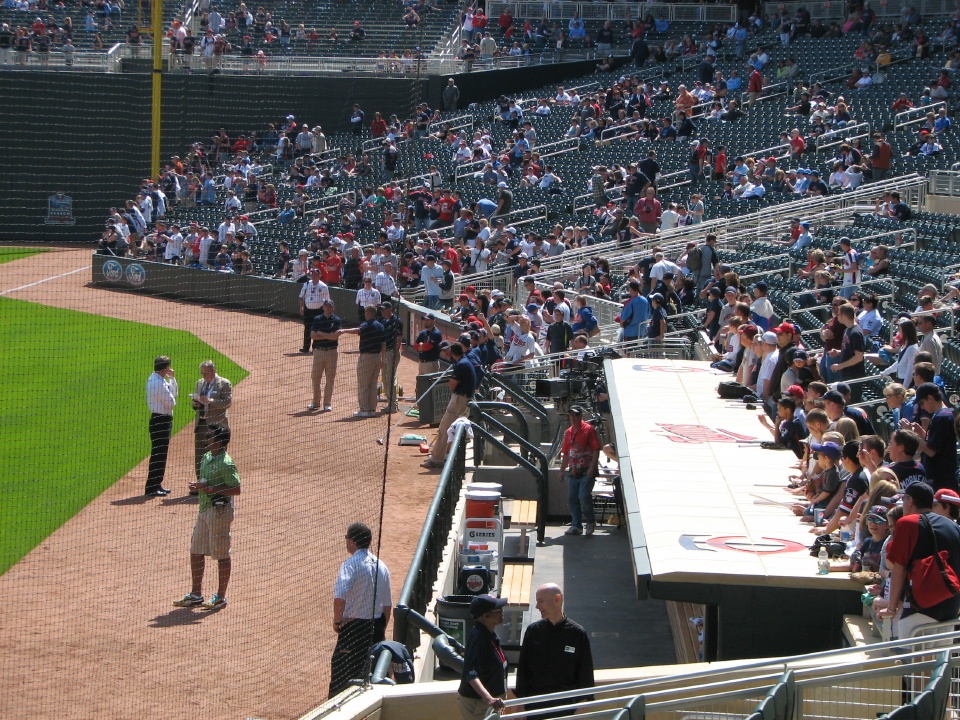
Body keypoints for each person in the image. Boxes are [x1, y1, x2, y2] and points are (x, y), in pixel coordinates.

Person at [172, 424, 241, 610]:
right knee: (196, 551)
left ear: (218, 440)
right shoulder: (206, 457)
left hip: (219, 512)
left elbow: (236, 488)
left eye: (210, 436)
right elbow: (206, 482)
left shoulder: (226, 463)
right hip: (204, 510)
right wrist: (199, 486)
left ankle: (220, 597)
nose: (207, 438)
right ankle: (196, 595)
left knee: (222, 554)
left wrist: (210, 489)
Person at [881, 482, 960, 639]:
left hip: (921, 608)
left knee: (912, 662)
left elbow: (899, 569)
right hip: (950, 607)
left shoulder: (907, 523)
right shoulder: (952, 526)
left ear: (910, 500)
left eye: (903, 499)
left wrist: (891, 608)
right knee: (940, 663)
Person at [329, 522, 392, 698]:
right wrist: (380, 627)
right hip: (376, 627)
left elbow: (339, 597)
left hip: (353, 629)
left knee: (342, 677)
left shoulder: (350, 565)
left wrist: (337, 621)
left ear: (353, 541)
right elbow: (387, 605)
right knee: (375, 675)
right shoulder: (382, 566)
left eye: (347, 538)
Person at [515, 583, 595, 718]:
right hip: (535, 706)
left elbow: (585, 673)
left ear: (557, 599)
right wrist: (520, 705)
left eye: (541, 601)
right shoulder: (533, 632)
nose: (537, 607)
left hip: (566, 707)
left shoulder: (577, 633)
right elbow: (523, 671)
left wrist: (582, 705)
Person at [422, 342, 476, 469]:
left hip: (460, 399)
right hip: (465, 399)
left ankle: (436, 459)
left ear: (452, 352)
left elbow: (452, 385)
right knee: (457, 431)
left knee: (445, 428)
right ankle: (447, 456)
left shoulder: (461, 365)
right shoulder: (465, 361)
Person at [458, 594, 508, 719]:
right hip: (479, 704)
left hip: (490, 703)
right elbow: (471, 673)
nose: (502, 612)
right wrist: (489, 699)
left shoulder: (489, 635)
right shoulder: (479, 638)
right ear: (486, 616)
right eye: (498, 610)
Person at [904, 383, 958, 492]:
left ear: (930, 398)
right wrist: (921, 433)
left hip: (941, 476)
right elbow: (934, 443)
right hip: (941, 474)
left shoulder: (942, 417)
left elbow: (931, 451)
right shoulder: (940, 414)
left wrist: (911, 434)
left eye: (921, 403)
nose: (921, 406)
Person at [191, 361, 232, 494]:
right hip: (201, 424)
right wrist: (196, 404)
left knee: (216, 455)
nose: (204, 375)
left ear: (213, 370)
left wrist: (210, 401)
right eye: (202, 373)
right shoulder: (199, 383)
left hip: (216, 427)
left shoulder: (224, 383)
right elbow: (195, 402)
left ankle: (216, 486)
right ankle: (201, 485)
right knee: (200, 456)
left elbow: (227, 402)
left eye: (207, 372)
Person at [561, 406, 601, 536]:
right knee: (572, 499)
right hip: (573, 471)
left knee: (583, 496)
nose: (573, 418)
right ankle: (576, 525)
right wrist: (562, 470)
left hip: (586, 470)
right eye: (571, 416)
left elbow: (596, 449)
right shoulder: (568, 432)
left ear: (581, 416)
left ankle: (590, 521)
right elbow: (566, 453)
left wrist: (593, 467)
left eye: (576, 415)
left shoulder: (589, 430)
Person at [340, 305, 385, 418]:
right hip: (377, 357)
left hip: (367, 357)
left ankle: (364, 409)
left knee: (363, 384)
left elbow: (358, 330)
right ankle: (372, 409)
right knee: (373, 384)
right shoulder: (380, 326)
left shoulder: (367, 324)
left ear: (369, 312)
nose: (364, 313)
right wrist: (382, 359)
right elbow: (383, 344)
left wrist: (344, 330)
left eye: (365, 311)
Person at [145, 355, 178, 496]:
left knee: (159, 454)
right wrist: (170, 384)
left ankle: (156, 484)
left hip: (159, 420)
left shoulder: (157, 379)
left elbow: (174, 394)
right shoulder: (158, 383)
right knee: (159, 454)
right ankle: (152, 487)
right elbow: (172, 403)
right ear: (164, 368)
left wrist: (172, 379)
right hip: (161, 421)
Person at [308, 299, 342, 413]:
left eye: (330, 306)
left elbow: (335, 337)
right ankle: (315, 402)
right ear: (323, 307)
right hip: (319, 351)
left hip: (332, 352)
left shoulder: (337, 320)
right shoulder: (317, 319)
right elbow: (312, 335)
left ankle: (327, 403)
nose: (328, 308)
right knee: (315, 377)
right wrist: (328, 335)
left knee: (330, 379)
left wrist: (321, 333)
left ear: (333, 308)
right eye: (326, 306)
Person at [379, 301, 404, 413]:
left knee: (390, 378)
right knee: (385, 378)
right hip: (384, 353)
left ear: (390, 309)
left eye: (384, 309)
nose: (382, 311)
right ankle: (390, 403)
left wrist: (395, 352)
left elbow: (398, 339)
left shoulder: (397, 321)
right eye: (382, 309)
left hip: (392, 352)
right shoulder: (383, 321)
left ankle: (393, 405)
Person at [299, 268, 330, 353]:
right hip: (308, 310)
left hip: (318, 311)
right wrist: (301, 308)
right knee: (307, 329)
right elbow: (301, 297)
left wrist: (326, 311)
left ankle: (315, 347)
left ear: (320, 275)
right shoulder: (306, 284)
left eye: (316, 274)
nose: (314, 276)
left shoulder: (323, 286)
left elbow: (327, 300)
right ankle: (306, 347)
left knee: (317, 329)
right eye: (313, 274)